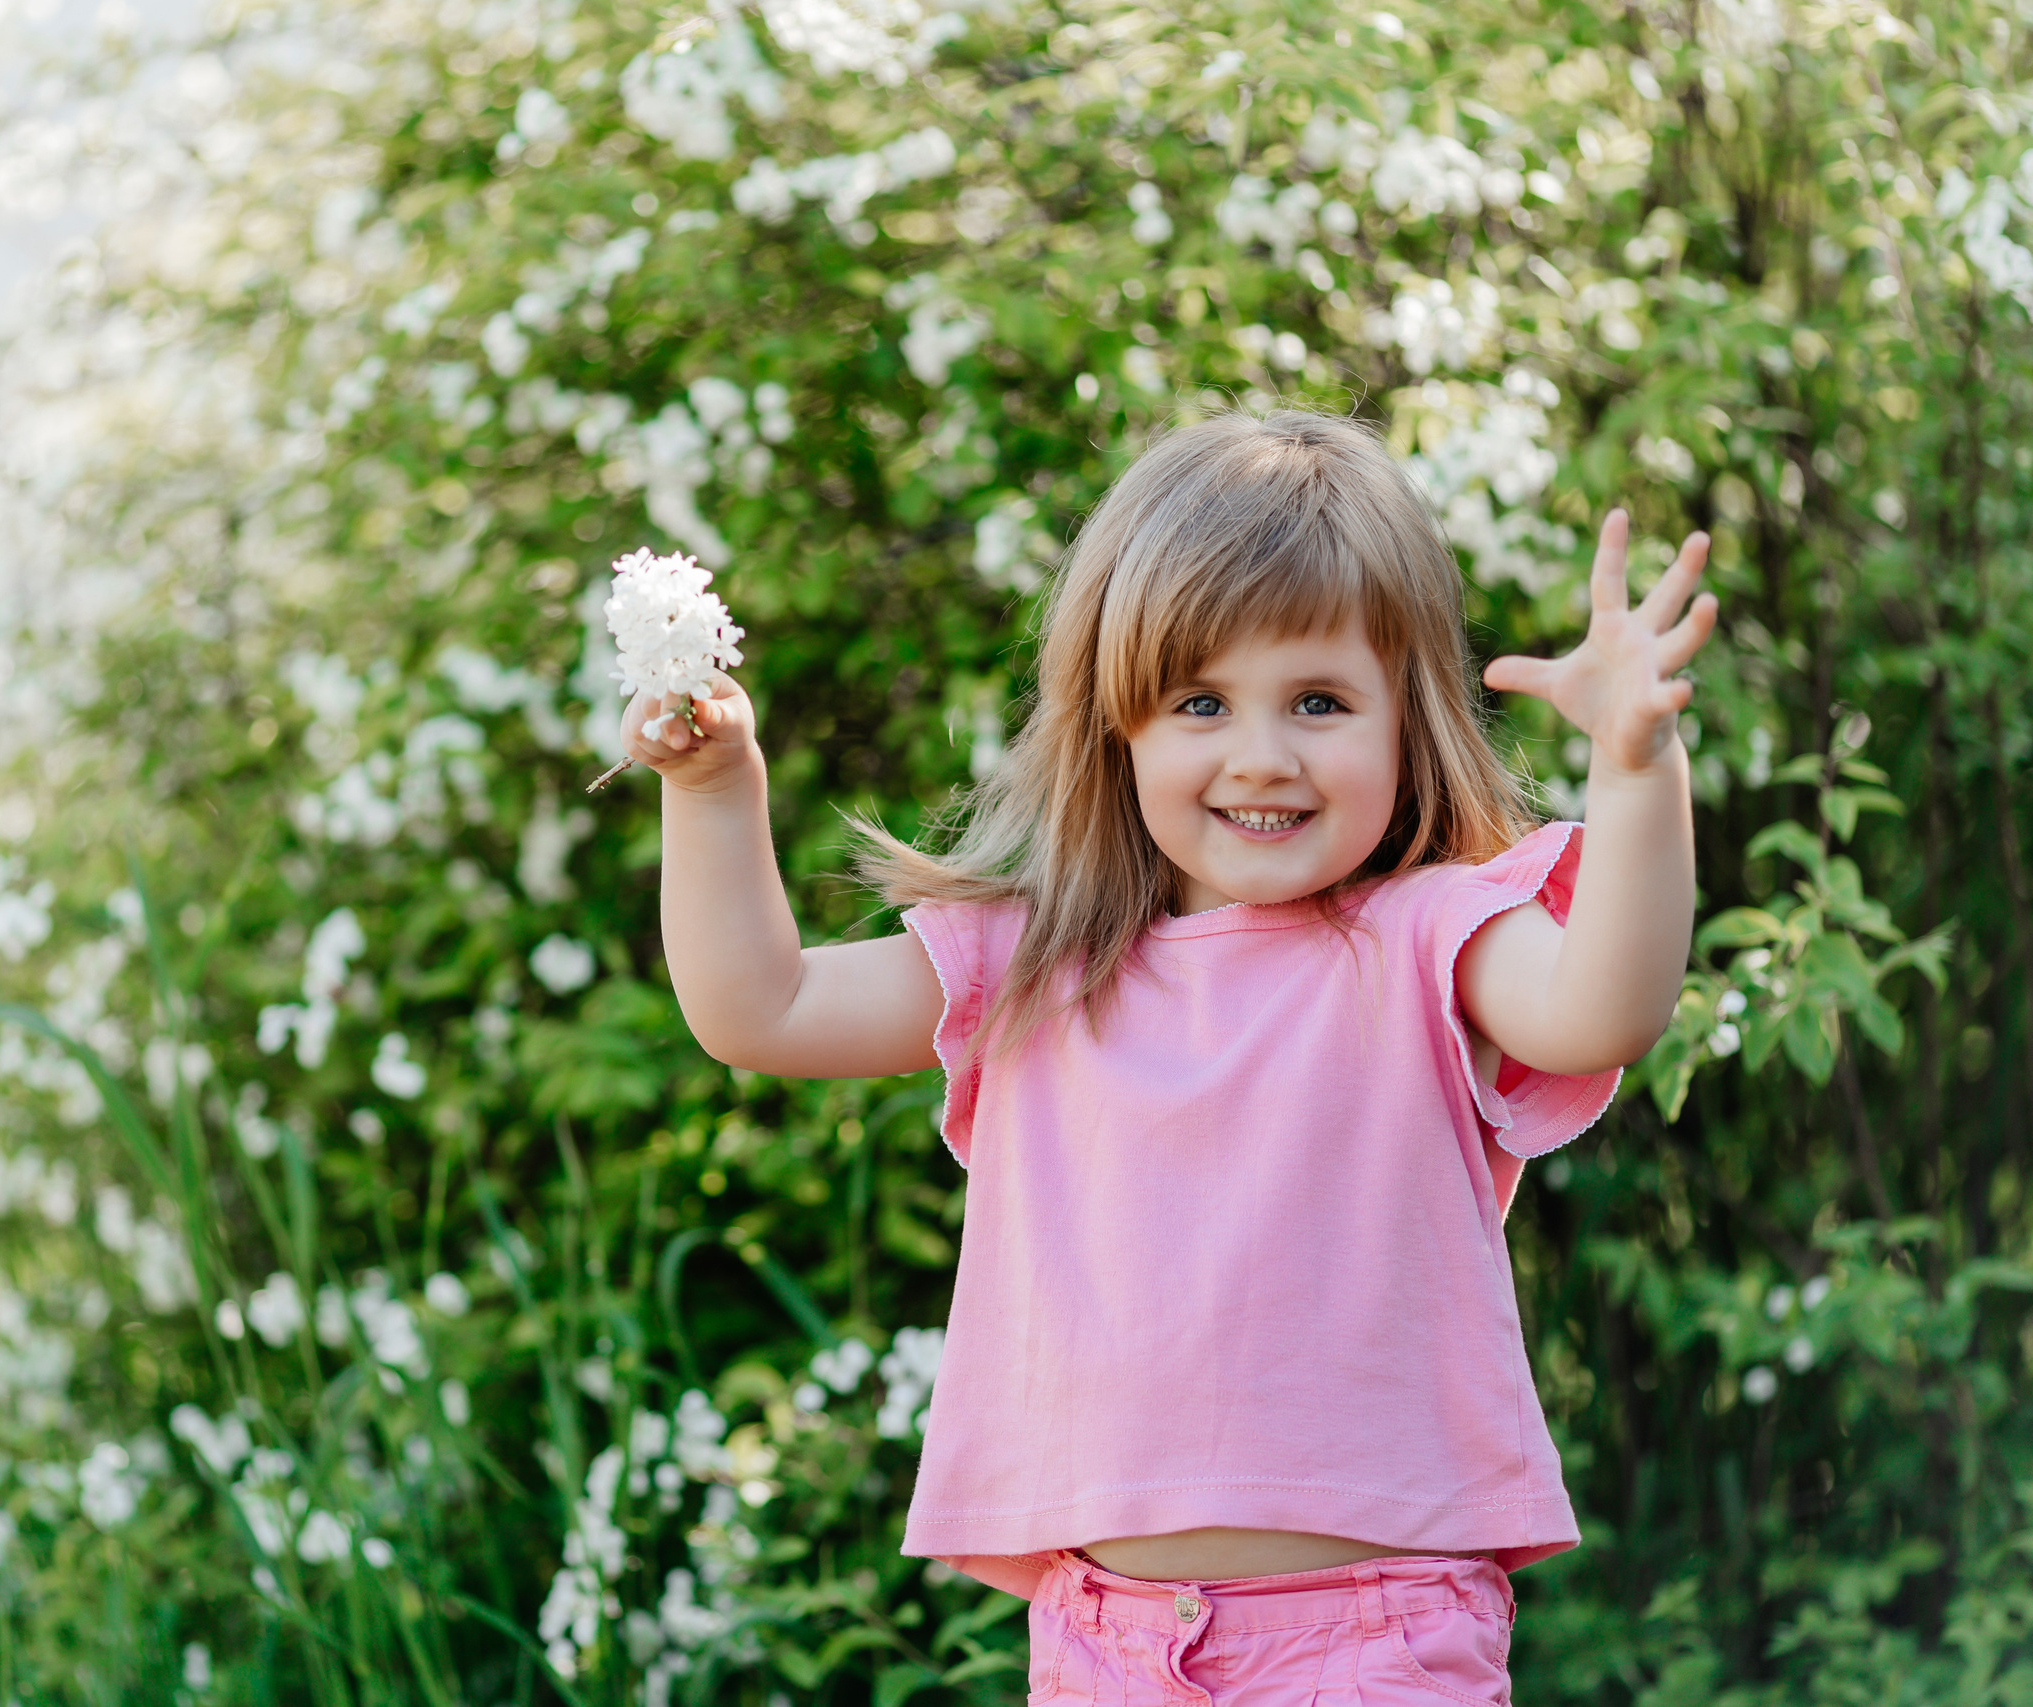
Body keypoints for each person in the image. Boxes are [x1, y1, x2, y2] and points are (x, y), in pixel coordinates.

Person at [617, 409, 1717, 1702]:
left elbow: (1605, 1010)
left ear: (1406, 718)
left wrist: (1640, 770)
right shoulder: (1037, 963)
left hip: (1374, 1641)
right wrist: (711, 792)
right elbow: (762, 1010)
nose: (1263, 755)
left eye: (1319, 701)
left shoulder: (1427, 935)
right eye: (1201, 702)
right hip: (1109, 1646)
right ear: (1118, 726)